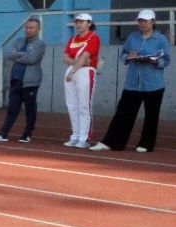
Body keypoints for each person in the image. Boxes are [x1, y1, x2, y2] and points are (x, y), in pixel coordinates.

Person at [90, 9, 171, 153]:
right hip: (132, 83)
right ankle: (111, 142)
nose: (142, 24)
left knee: (151, 116)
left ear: (153, 21)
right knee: (123, 114)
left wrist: (154, 62)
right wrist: (129, 57)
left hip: (154, 84)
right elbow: (123, 55)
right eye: (140, 21)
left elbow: (166, 60)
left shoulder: (161, 39)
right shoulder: (132, 37)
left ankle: (146, 144)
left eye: (145, 21)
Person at [0, 18, 46, 144]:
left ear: (38, 29)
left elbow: (31, 59)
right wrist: (23, 55)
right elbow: (10, 54)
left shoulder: (40, 44)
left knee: (30, 109)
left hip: (30, 82)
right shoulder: (18, 41)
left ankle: (27, 134)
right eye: (27, 27)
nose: (28, 30)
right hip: (15, 80)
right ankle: (3, 133)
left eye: (31, 28)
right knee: (12, 108)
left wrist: (17, 55)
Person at [63, 13, 100, 148]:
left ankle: (84, 138)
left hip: (85, 72)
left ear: (89, 23)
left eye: (82, 22)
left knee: (84, 105)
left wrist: (73, 70)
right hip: (72, 70)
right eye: (77, 22)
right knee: (72, 105)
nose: (79, 24)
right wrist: (76, 64)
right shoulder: (72, 39)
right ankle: (75, 135)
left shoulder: (93, 38)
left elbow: (85, 57)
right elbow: (65, 57)